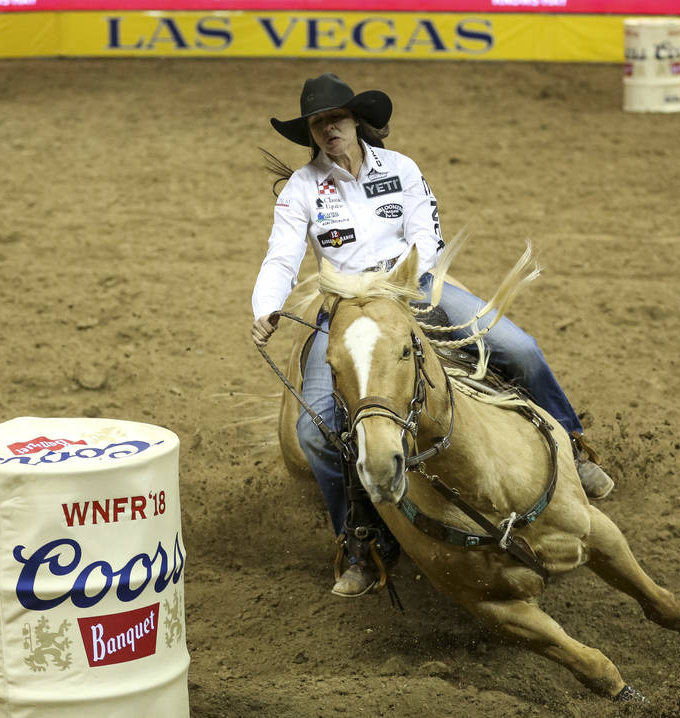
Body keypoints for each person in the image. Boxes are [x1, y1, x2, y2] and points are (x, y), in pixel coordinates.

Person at [251, 73, 613, 598]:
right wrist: (266, 306)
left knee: (519, 349)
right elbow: (281, 255)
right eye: (318, 122)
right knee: (315, 436)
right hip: (348, 305)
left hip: (414, 286)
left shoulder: (401, 169)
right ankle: (362, 538)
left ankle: (573, 446)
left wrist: (402, 281)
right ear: (310, 131)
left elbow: (427, 234)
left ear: (355, 121)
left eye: (336, 118)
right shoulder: (303, 189)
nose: (329, 129)